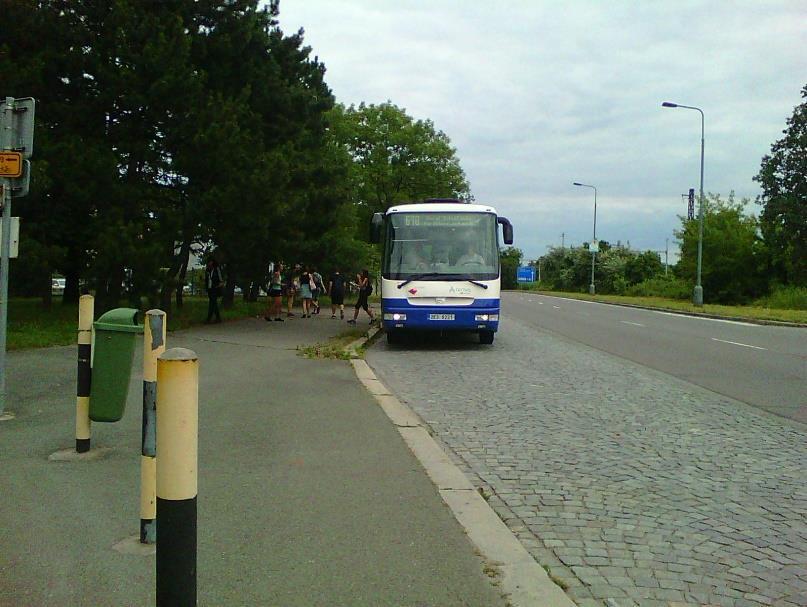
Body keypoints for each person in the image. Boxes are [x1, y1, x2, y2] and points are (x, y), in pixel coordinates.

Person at [204, 258, 223, 323]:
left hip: (215, 288)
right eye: (208, 262)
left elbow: (220, 279)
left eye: (210, 262)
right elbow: (206, 280)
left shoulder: (217, 269)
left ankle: (209, 319)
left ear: (213, 262)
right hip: (209, 288)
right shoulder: (207, 270)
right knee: (213, 303)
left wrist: (219, 285)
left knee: (212, 303)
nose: (209, 263)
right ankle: (217, 318)